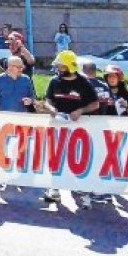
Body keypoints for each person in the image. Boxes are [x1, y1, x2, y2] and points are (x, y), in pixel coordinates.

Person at [41, 50, 99, 206]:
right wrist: (51, 108)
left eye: (61, 66)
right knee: (55, 157)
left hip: (78, 129)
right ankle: (54, 189)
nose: (58, 69)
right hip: (57, 126)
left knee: (78, 159)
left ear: (69, 66)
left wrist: (81, 110)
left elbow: (95, 104)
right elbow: (47, 100)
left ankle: (81, 190)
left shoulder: (84, 83)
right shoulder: (54, 81)